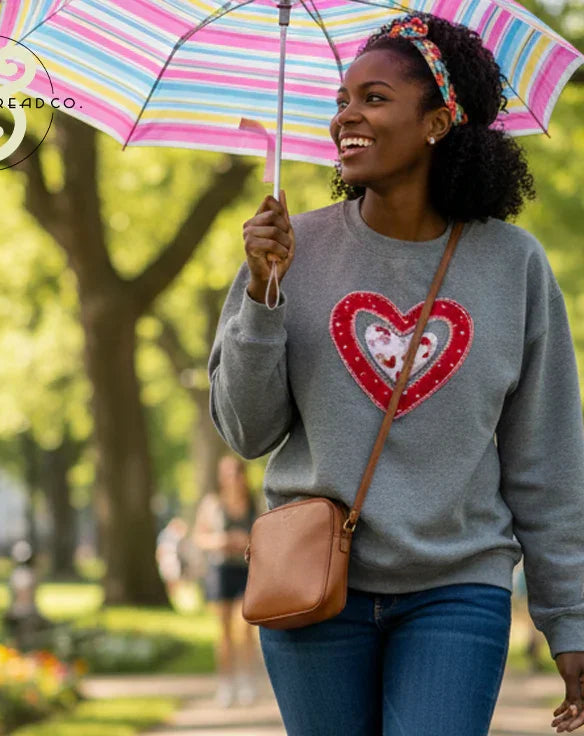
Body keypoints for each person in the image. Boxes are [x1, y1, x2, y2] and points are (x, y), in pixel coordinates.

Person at [208, 11, 584, 736]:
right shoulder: (293, 250)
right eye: (342, 100)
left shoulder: (514, 266)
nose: (347, 115)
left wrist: (570, 620)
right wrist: (263, 295)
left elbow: (549, 461)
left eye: (373, 98)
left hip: (457, 586)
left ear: (439, 121)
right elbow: (247, 432)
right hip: (313, 584)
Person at [193, 454, 262, 708]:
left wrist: (246, 541)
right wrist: (221, 540)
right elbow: (199, 538)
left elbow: (265, 535)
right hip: (220, 570)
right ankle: (226, 682)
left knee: (245, 628)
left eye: (237, 472)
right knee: (223, 632)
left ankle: (247, 681)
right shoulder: (212, 504)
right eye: (228, 473)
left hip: (246, 571)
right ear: (221, 477)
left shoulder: (254, 503)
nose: (233, 478)